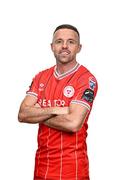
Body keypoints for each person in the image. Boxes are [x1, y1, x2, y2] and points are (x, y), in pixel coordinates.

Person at [18, 24, 98, 180]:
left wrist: (38, 113)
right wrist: (59, 109)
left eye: (71, 42)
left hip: (72, 171)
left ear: (79, 47)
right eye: (59, 41)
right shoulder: (41, 77)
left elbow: (73, 123)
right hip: (41, 169)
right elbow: (22, 114)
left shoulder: (86, 79)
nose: (65, 46)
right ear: (52, 46)